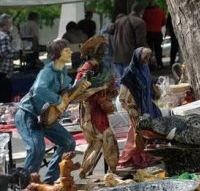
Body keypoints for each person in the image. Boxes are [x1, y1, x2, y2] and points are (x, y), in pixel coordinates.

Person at [14, 39, 78, 183]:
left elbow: (63, 90)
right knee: (37, 147)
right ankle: (27, 183)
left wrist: (76, 90)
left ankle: (50, 180)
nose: (71, 52)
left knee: (68, 142)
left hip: (45, 115)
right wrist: (58, 100)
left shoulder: (63, 70)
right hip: (28, 114)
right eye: (67, 50)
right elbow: (39, 89)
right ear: (58, 53)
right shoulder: (48, 71)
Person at [76, 35, 118, 178]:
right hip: (90, 110)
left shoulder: (105, 69)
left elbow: (112, 88)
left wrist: (109, 96)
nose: (104, 53)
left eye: (106, 50)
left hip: (100, 109)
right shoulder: (87, 67)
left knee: (101, 139)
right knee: (103, 137)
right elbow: (78, 90)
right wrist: (91, 85)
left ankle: (107, 169)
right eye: (101, 50)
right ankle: (108, 169)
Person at [118, 47, 161, 168]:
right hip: (137, 108)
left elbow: (149, 84)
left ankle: (149, 155)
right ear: (138, 58)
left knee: (152, 130)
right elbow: (122, 95)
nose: (147, 60)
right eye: (144, 58)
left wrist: (155, 92)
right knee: (137, 135)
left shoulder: (145, 69)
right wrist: (129, 108)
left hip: (148, 105)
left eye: (148, 57)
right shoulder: (129, 72)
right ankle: (134, 158)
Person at [112, 3, 147, 81]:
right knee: (133, 86)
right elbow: (140, 42)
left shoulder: (119, 20)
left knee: (121, 86)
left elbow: (110, 30)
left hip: (117, 58)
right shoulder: (139, 22)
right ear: (141, 11)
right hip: (131, 59)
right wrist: (147, 54)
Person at [143, 1, 166, 68]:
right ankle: (159, 64)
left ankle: (150, 65)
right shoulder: (161, 10)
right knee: (158, 49)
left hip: (148, 33)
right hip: (157, 32)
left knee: (149, 49)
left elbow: (143, 21)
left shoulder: (145, 11)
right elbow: (163, 22)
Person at [0, 14, 15, 103]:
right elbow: (4, 53)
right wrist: (18, 53)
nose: (11, 25)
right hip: (4, 71)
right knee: (5, 97)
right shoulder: (4, 36)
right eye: (10, 23)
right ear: (6, 24)